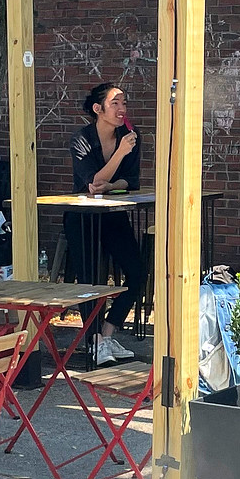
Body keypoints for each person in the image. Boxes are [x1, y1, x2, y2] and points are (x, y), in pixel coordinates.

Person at [68, 81, 146, 366]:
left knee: (137, 272)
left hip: (113, 213)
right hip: (83, 216)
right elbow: (92, 183)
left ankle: (106, 335)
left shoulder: (131, 135)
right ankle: (91, 342)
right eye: (116, 103)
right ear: (98, 109)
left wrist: (111, 184)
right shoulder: (82, 139)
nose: (122, 109)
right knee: (90, 280)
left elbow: (130, 181)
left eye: (124, 103)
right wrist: (119, 155)